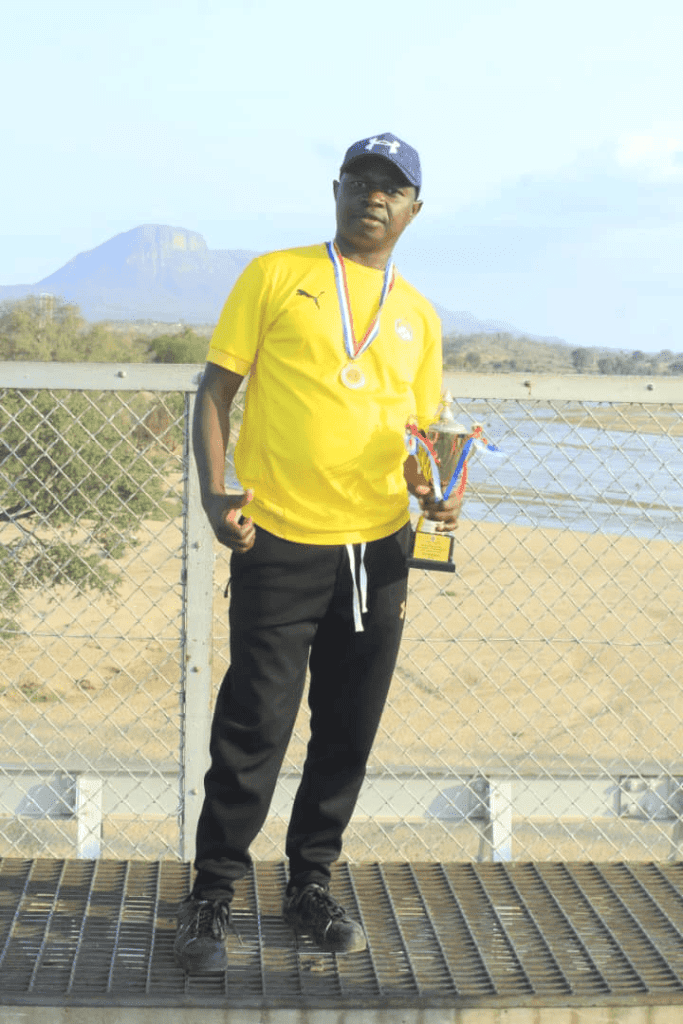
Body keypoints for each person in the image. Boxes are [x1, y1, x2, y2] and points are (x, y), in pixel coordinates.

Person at [174, 132, 461, 972]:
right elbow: (216, 392)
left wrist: (436, 488)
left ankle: (310, 884)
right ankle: (211, 895)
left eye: (392, 188)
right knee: (253, 725)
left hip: (378, 551)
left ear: (413, 210)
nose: (374, 196)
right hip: (279, 539)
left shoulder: (418, 314)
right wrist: (215, 492)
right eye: (361, 180)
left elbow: (422, 440)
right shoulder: (275, 275)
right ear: (336, 189)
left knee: (347, 728)